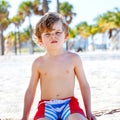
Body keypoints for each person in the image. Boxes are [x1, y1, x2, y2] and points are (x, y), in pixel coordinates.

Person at [22, 12, 96, 120]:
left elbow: (84, 85)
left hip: (69, 104)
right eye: (47, 34)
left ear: (65, 36)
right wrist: (24, 116)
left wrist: (88, 112)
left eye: (58, 32)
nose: (53, 36)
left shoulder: (73, 59)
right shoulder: (38, 63)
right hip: (46, 106)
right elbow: (30, 91)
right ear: (39, 40)